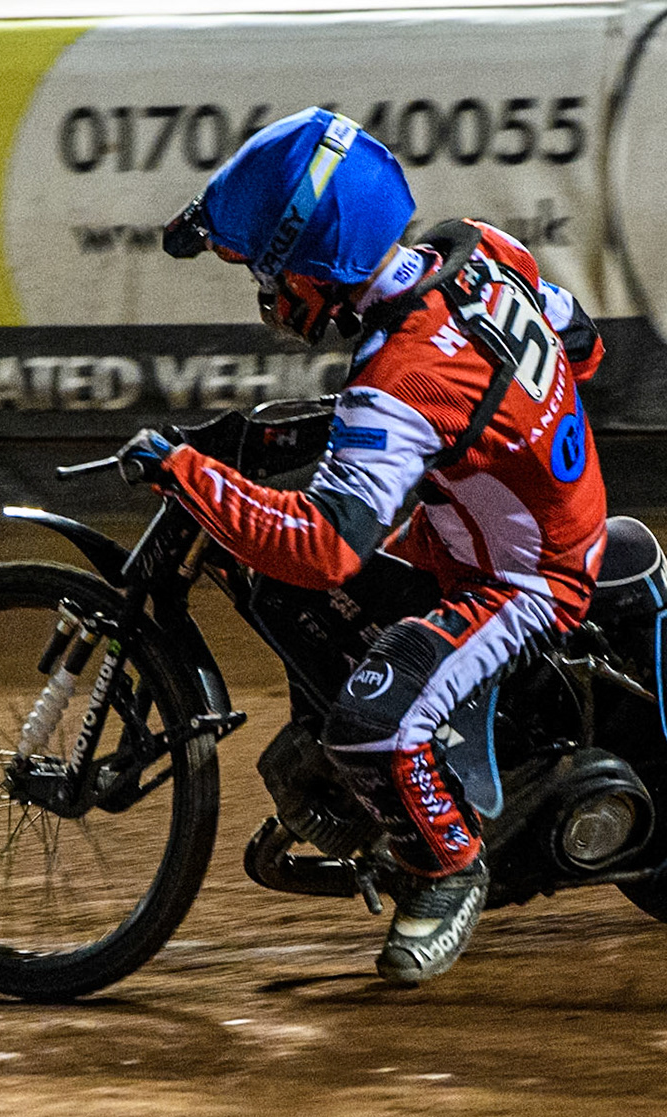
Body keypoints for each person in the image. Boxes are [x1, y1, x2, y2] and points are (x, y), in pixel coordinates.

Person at [130, 107, 607, 985]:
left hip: (527, 581)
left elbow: (322, 548)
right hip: (500, 525)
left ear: (317, 270)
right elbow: (585, 343)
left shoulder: (397, 380)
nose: (268, 298)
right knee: (282, 601)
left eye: (271, 276)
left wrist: (187, 474)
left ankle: (449, 867)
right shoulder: (482, 250)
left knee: (369, 724)